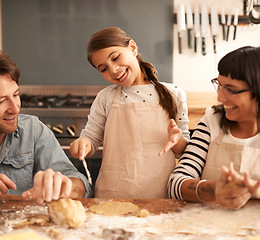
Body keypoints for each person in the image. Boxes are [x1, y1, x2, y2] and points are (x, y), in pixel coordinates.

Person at [69, 27, 190, 198]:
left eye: (116, 58)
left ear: (132, 48)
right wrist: (82, 144)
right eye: (103, 68)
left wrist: (177, 140)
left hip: (161, 196)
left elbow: (184, 151)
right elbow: (91, 138)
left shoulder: (174, 94)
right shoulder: (105, 97)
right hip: (113, 195)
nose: (113, 70)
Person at [0, 49, 91, 205]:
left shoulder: (33, 130)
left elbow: (80, 183)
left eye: (16, 95)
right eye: (0, 101)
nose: (15, 108)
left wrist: (66, 187)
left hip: (24, 227)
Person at [168, 46, 260, 209]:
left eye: (231, 90)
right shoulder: (212, 121)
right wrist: (213, 191)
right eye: (219, 85)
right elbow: (175, 183)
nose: (220, 97)